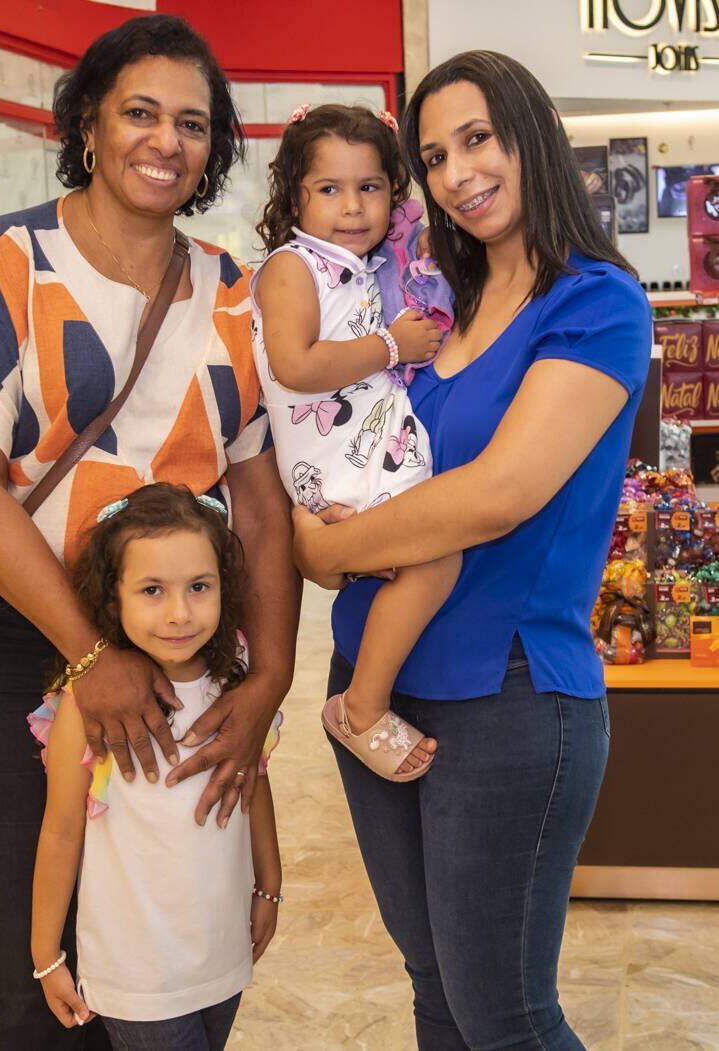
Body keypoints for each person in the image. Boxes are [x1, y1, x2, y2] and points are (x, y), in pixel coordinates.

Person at [0, 14, 298, 1049]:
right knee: (25, 940)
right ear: (87, 122)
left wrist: (268, 679)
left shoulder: (232, 290)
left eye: (193, 123)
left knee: (166, 930)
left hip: (181, 644)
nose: (165, 140)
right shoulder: (7, 255)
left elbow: (259, 506)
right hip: (14, 644)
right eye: (139, 112)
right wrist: (89, 653)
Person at [291, 51, 651, 1050]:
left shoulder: (594, 303)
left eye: (478, 139)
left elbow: (500, 494)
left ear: (530, 133)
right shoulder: (432, 302)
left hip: (507, 696)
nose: (457, 173)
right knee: (438, 992)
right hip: (371, 681)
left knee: (506, 1016)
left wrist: (332, 553)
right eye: (435, 154)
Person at [29, 484, 282, 1050]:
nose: (179, 613)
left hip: (219, 949)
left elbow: (252, 783)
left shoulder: (235, 679)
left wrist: (269, 886)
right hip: (138, 973)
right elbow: (61, 830)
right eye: (151, 590)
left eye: (199, 587)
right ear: (113, 599)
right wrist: (46, 955)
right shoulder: (87, 706)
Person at [251, 103, 458, 781]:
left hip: (363, 447)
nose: (351, 206)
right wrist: (392, 343)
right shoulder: (292, 266)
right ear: (294, 195)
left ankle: (367, 694)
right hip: (335, 455)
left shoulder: (361, 265)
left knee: (424, 556)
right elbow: (296, 364)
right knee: (435, 556)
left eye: (368, 187)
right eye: (329, 189)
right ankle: (359, 705)